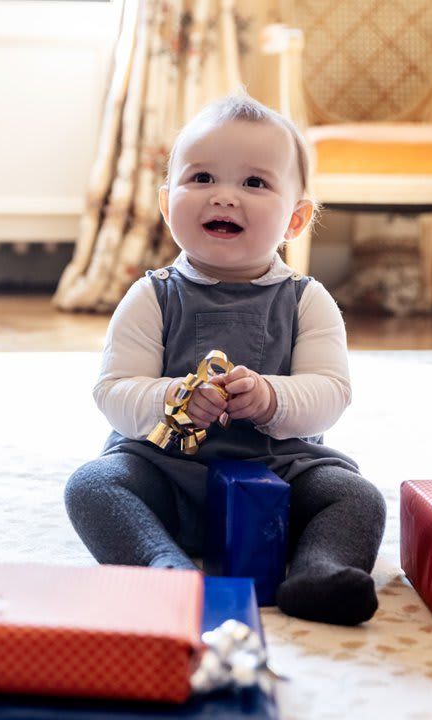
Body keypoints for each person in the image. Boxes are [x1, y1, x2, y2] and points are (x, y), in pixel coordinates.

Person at [64, 93, 386, 626]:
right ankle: (161, 567)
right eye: (203, 178)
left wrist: (270, 398)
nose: (225, 198)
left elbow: (331, 393)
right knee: (92, 486)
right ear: (168, 204)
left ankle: (319, 572)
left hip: (280, 475)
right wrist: (170, 398)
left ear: (297, 219)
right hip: (163, 472)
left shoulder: (307, 299)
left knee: (356, 497)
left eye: (255, 183)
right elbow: (114, 390)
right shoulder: (153, 296)